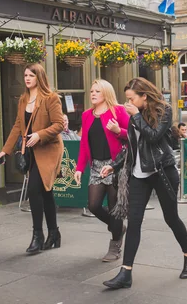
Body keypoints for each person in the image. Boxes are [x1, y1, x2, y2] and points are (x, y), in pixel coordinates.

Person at [101, 77, 187, 289]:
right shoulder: (133, 114)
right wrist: (114, 165)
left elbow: (152, 137)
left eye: (132, 99)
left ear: (144, 96)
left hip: (163, 171)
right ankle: (126, 273)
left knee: (171, 218)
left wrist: (135, 116)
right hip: (139, 174)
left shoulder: (164, 110)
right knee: (134, 222)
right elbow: (131, 144)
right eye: (127, 99)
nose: (128, 103)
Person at [0, 64, 64, 254]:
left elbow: (59, 124)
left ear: (39, 77)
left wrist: (40, 134)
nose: (27, 78)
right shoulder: (23, 99)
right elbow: (18, 126)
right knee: (45, 191)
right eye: (25, 75)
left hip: (48, 149)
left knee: (34, 190)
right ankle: (54, 233)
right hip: (30, 150)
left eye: (31, 75)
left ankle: (38, 236)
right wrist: (6, 150)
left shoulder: (50, 98)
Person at [74, 79, 129, 262]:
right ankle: (118, 227)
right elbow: (83, 144)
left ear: (106, 93)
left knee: (115, 209)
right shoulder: (87, 115)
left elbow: (133, 135)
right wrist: (79, 168)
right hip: (96, 166)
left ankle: (114, 247)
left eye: (97, 91)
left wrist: (117, 130)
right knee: (94, 205)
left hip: (115, 165)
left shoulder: (118, 111)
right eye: (91, 91)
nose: (93, 94)